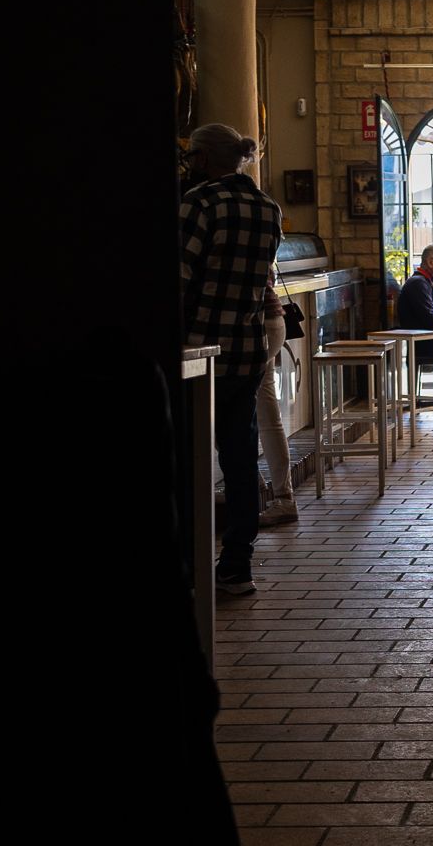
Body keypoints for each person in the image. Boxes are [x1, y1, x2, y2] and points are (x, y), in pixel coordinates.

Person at [179, 123, 283, 595]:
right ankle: (236, 565)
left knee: (188, 456)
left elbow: (180, 278)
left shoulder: (198, 204)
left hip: (197, 354)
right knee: (240, 457)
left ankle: (192, 562)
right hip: (247, 352)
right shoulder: (268, 209)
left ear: (202, 158)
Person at [255, 266, 298, 527]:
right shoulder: (267, 226)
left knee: (219, 412)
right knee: (269, 417)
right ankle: (283, 498)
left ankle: (252, 485)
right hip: (272, 319)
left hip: (249, 325)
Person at [396, 242, 433, 403]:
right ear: (430, 262)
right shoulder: (418, 283)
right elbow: (429, 317)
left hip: (432, 338)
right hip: (425, 342)